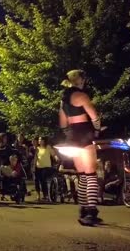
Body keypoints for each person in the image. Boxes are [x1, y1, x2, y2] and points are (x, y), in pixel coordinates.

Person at [58, 69, 101, 226]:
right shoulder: (82, 96)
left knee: (82, 175)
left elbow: (63, 124)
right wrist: (96, 130)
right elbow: (95, 117)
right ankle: (91, 211)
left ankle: (82, 209)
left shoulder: (63, 100)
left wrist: (70, 133)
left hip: (72, 138)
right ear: (81, 80)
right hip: (85, 136)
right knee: (91, 175)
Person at [32, 136, 58, 202]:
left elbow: (53, 154)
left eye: (40, 139)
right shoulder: (37, 148)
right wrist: (33, 166)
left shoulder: (48, 147)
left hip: (46, 167)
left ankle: (45, 195)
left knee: (43, 180)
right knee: (36, 181)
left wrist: (56, 158)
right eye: (39, 140)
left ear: (44, 141)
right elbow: (35, 158)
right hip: (38, 167)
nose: (39, 141)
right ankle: (38, 196)